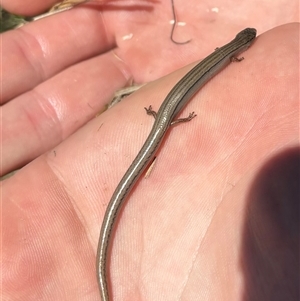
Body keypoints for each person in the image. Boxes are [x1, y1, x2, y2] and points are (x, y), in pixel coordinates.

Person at [1, 0, 299, 299]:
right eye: (248, 40)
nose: (248, 41)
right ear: (242, 45)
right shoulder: (232, 54)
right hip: (166, 117)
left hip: (165, 115)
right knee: (163, 126)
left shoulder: (228, 52)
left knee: (163, 124)